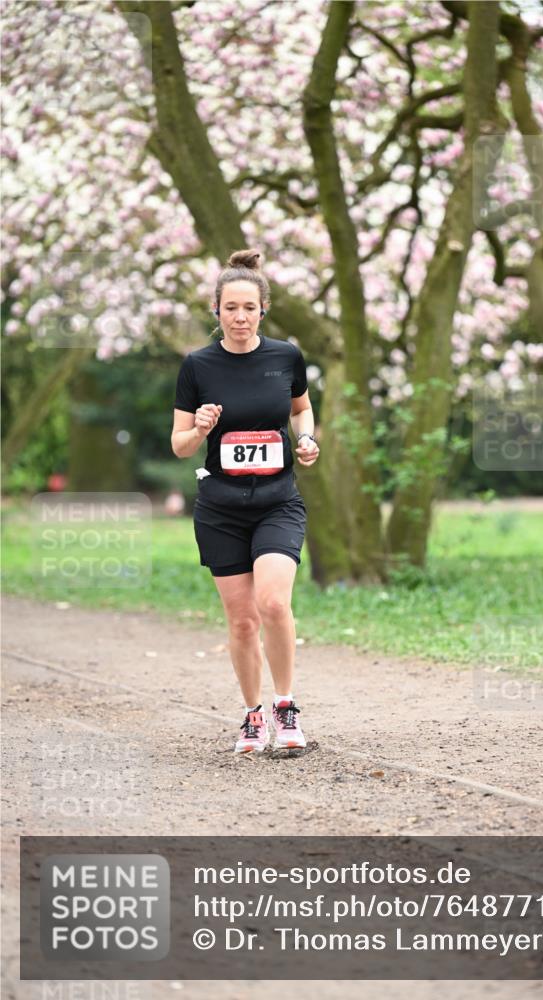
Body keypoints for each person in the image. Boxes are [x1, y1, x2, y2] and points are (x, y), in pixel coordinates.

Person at [171, 248, 319, 754]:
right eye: (230, 308)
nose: (240, 317)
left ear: (262, 310)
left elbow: (301, 410)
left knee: (274, 601)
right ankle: (253, 716)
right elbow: (180, 444)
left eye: (249, 308)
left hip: (278, 500)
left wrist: (307, 439)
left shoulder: (285, 357)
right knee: (242, 620)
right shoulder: (197, 366)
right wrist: (201, 428)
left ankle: (286, 706)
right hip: (221, 509)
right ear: (217, 311)